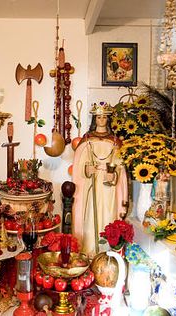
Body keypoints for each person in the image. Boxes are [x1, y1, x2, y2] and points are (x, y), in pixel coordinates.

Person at [71, 102, 128, 257]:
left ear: (108, 119)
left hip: (109, 186)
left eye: (104, 117)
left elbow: (120, 167)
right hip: (91, 184)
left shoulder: (115, 141)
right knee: (90, 215)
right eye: (98, 117)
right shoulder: (87, 139)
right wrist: (86, 170)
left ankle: (106, 253)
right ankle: (89, 251)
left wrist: (114, 174)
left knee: (108, 214)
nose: (101, 120)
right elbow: (79, 163)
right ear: (94, 119)